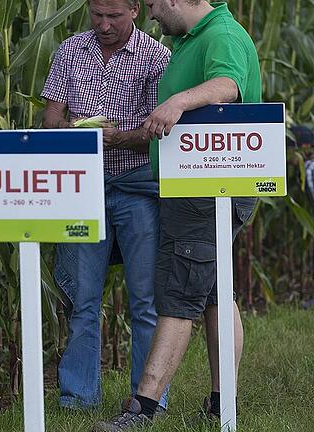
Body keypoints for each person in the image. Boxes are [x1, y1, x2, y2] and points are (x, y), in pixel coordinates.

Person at [93, 1, 261, 430]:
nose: (150, 14)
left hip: (208, 189)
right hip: (204, 185)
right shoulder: (190, 39)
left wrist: (178, 102)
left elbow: (227, 84)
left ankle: (142, 409)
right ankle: (224, 402)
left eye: (151, 4)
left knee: (179, 290)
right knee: (214, 294)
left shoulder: (219, 35)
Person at [41, 0, 171, 411]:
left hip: (137, 186)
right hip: (82, 187)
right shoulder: (70, 50)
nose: (104, 24)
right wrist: (76, 131)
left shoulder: (156, 57)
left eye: (113, 15)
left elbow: (157, 127)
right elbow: (51, 116)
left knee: (145, 299)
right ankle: (78, 397)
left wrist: (120, 138)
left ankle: (148, 397)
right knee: (82, 299)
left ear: (135, 9)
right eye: (96, 14)